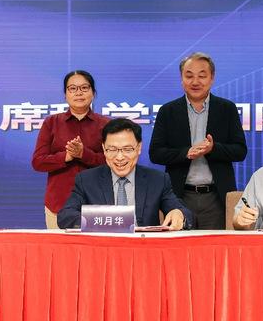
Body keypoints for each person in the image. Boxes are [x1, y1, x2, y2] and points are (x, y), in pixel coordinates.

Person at [149, 52, 247, 230]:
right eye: (189, 76)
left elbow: (240, 151)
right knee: (178, 245)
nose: (195, 82)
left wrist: (213, 149)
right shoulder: (168, 111)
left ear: (212, 78)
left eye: (202, 76)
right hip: (178, 197)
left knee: (215, 245)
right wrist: (185, 153)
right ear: (181, 78)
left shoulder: (227, 109)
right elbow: (155, 153)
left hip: (216, 197)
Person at [58, 118, 192, 230]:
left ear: (139, 148)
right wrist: (104, 222)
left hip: (144, 248)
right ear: (104, 149)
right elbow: (65, 216)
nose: (120, 157)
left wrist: (179, 214)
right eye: (112, 149)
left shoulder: (157, 180)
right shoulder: (87, 180)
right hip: (103, 247)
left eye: (127, 149)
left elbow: (182, 210)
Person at [32, 70, 110, 229]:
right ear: (65, 94)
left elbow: (114, 161)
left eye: (84, 88)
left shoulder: (106, 124)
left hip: (97, 203)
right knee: (59, 246)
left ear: (93, 93)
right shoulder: (51, 122)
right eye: (72, 88)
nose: (79, 93)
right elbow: (38, 162)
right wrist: (66, 156)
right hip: (58, 204)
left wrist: (84, 154)